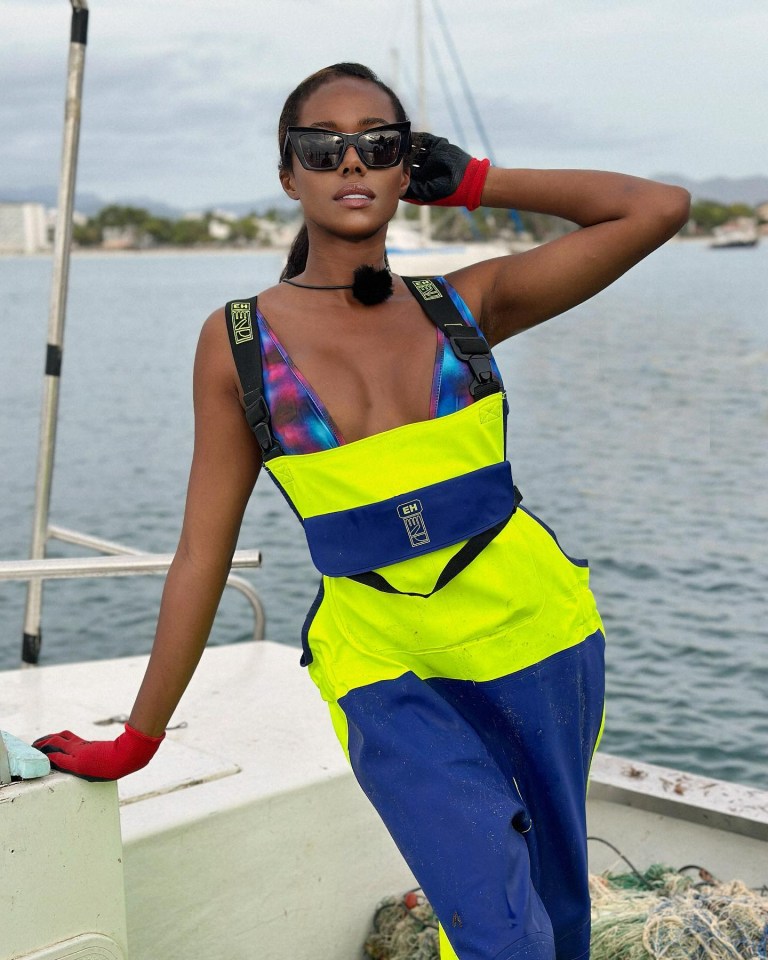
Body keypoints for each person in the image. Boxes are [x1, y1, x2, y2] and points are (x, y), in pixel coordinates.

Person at [34, 63, 690, 960]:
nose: (351, 164)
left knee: (556, 911)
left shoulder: (464, 307)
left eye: (379, 146)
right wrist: (138, 738)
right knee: (499, 930)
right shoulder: (239, 345)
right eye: (322, 147)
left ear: (403, 170)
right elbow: (201, 555)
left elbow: (656, 209)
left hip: (540, 641)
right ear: (287, 173)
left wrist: (473, 182)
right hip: (384, 667)